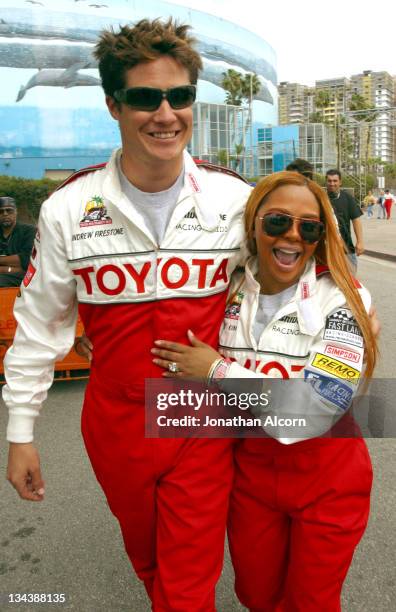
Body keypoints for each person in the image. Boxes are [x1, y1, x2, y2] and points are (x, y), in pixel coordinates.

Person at [3, 19, 252, 611]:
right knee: (149, 562)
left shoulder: (236, 200)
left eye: (180, 96)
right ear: (113, 104)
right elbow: (39, 329)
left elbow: (296, 278)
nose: (166, 114)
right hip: (114, 425)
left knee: (188, 581)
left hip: (201, 419)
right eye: (145, 97)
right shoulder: (67, 208)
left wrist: (356, 311)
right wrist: (20, 434)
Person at [152, 171, 378, 612]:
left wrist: (218, 370)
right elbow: (161, 320)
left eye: (309, 227)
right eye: (277, 221)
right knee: (256, 595)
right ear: (253, 223)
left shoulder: (345, 298)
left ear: (320, 236)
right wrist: (94, 336)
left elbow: (313, 412)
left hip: (329, 477)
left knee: (311, 602)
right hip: (251, 473)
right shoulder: (225, 286)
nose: (293, 235)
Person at [326, 169, 363, 272]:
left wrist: (360, 241)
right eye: (329, 181)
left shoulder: (348, 198)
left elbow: (356, 220)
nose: (332, 183)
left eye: (335, 181)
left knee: (350, 282)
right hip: (326, 251)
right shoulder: (321, 199)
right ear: (326, 182)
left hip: (346, 249)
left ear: (340, 182)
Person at [0, 196, 36, 287]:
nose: (5, 214)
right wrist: (10, 267)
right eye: (1, 211)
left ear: (16, 212)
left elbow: (26, 260)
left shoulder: (29, 231)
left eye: (9, 210)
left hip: (25, 278)